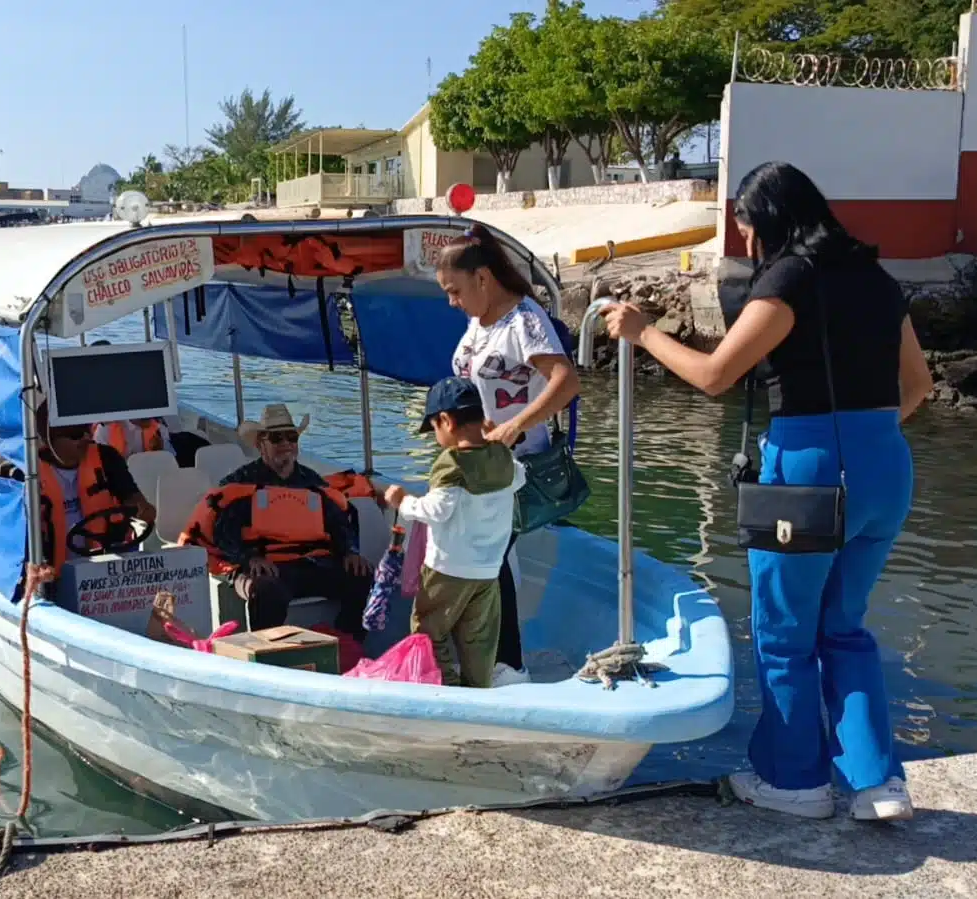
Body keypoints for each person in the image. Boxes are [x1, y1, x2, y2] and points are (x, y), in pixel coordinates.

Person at [597, 161, 934, 823]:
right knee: (844, 628)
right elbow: (918, 384)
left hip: (808, 467)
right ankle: (875, 782)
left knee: (782, 634)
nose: (745, 240)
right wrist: (861, 440)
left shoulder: (788, 278)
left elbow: (716, 374)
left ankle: (793, 779)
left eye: (746, 226)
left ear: (766, 223)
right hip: (885, 464)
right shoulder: (876, 279)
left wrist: (641, 332)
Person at [437, 223, 580, 687]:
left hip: (511, 467)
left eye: (455, 291)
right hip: (475, 465)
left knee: (489, 558)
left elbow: (566, 380)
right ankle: (484, 659)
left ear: (483, 278)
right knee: (480, 556)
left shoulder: (525, 321)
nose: (451, 302)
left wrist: (518, 424)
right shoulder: (478, 323)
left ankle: (509, 666)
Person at [182, 403, 372, 640]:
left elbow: (338, 523)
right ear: (261, 444)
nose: (286, 444)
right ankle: (268, 656)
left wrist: (350, 551)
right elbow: (224, 532)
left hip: (312, 564)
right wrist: (250, 558)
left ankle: (347, 646)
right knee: (265, 590)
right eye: (277, 438)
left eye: (291, 437)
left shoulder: (312, 483)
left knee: (362, 575)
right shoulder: (240, 484)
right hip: (264, 567)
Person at [384, 378, 525, 688]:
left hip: (447, 568)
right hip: (488, 569)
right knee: (479, 638)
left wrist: (403, 502)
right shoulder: (503, 458)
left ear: (446, 420)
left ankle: (445, 686)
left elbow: (437, 510)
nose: (436, 437)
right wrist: (493, 442)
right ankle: (478, 688)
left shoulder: (451, 463)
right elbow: (519, 478)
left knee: (428, 629)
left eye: (434, 427)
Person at [22, 402, 157, 573]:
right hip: (51, 576)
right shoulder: (28, 473)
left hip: (106, 569)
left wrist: (143, 508)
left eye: (87, 430)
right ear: (50, 439)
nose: (86, 438)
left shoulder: (107, 458)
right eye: (76, 435)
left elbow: (132, 496)